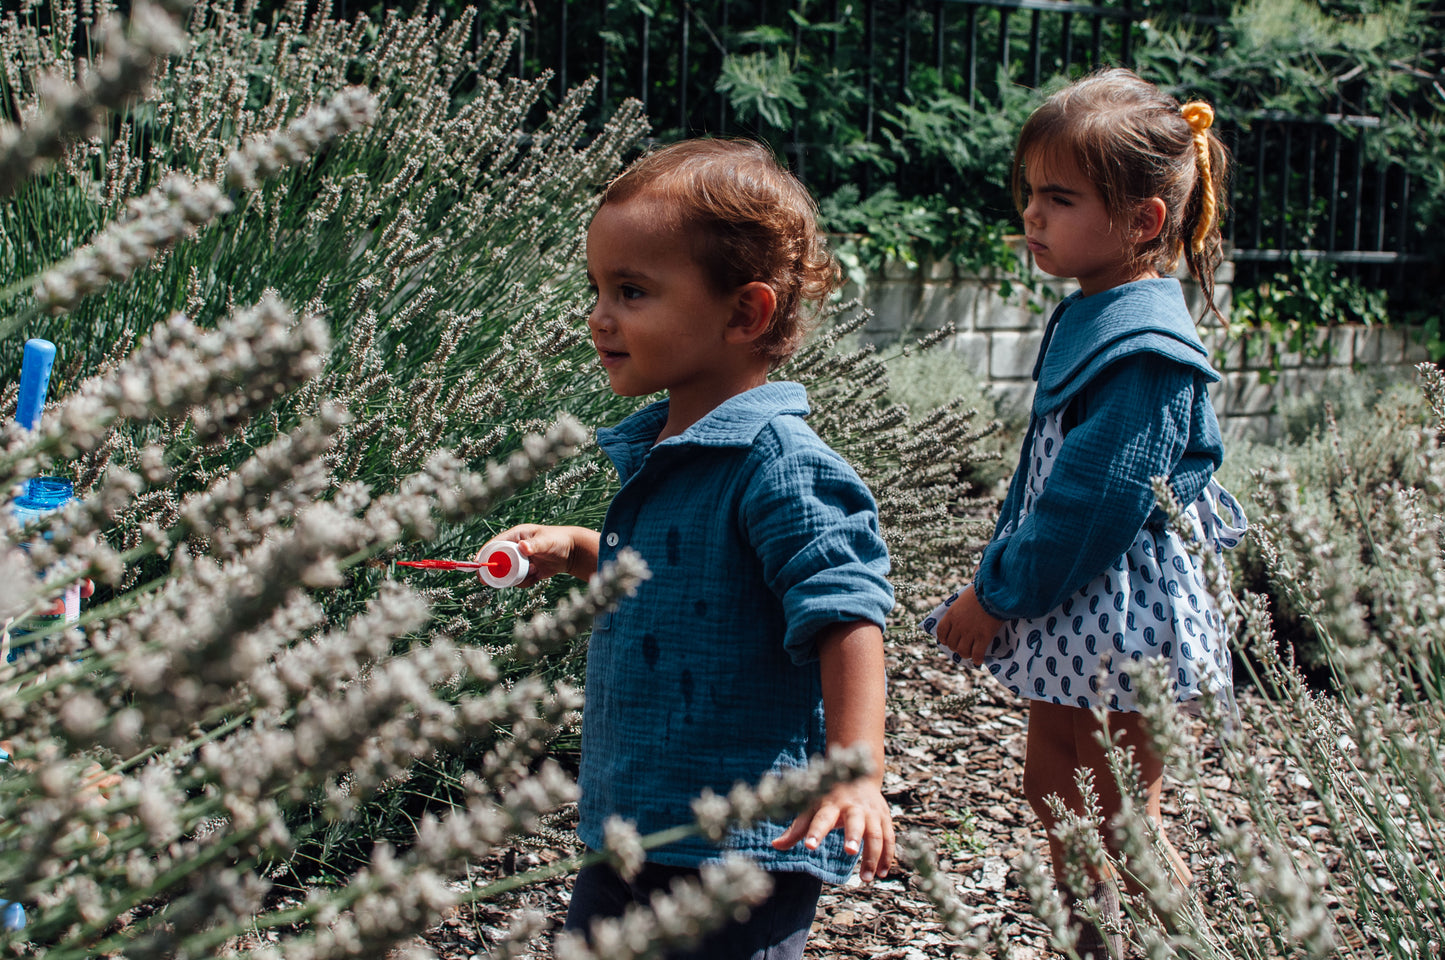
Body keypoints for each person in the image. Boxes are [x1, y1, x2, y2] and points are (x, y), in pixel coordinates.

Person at [485, 138, 896, 959]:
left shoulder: (779, 466)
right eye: (596, 289)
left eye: (632, 291)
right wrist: (576, 551)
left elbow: (846, 612)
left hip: (740, 845)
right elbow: (691, 582)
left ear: (744, 313)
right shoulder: (671, 447)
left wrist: (854, 772)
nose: (599, 316)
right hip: (634, 822)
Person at [926, 68, 1247, 958]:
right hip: (1080, 610)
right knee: (1051, 789)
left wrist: (995, 595)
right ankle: (1090, 942)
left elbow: (1088, 507)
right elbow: (1045, 475)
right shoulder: (1096, 311)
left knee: (1122, 818)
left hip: (1119, 612)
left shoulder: (1143, 348)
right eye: (1030, 194)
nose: (1032, 215)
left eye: (1058, 198)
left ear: (1142, 221)